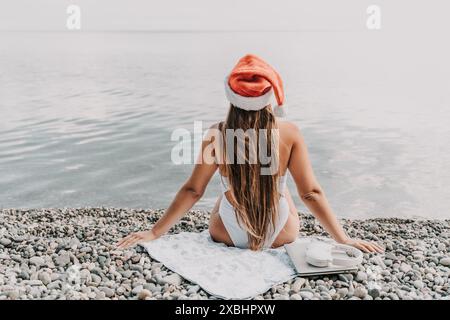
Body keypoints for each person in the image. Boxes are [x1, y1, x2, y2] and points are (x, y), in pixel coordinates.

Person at [117, 54, 384, 253]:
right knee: (283, 187)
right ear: (269, 99)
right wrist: (343, 239)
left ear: (231, 98)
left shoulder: (217, 134)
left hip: (227, 232)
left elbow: (193, 191)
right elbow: (311, 193)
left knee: (226, 192)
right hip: (281, 231)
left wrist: (154, 231)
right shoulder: (289, 132)